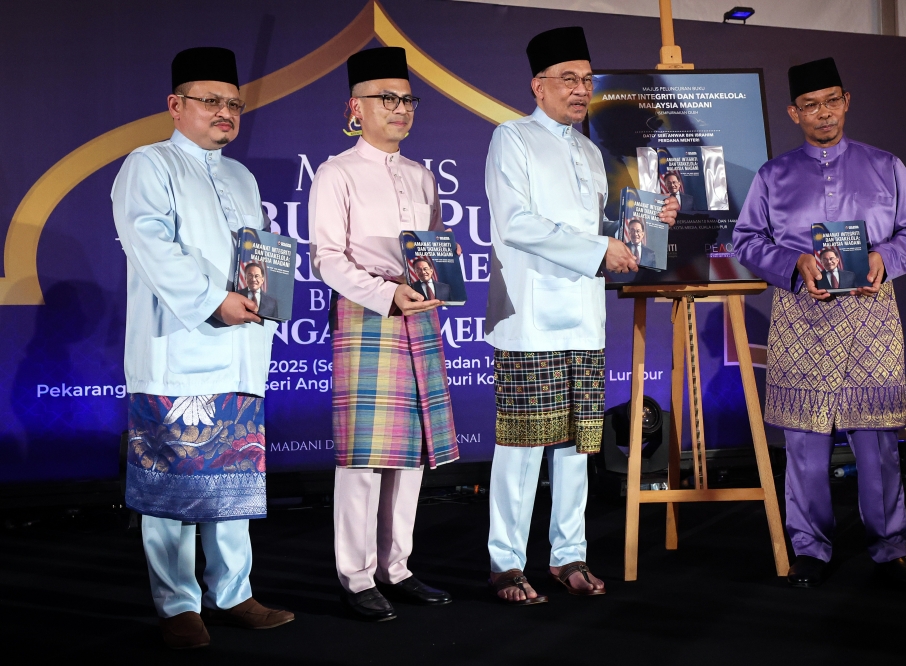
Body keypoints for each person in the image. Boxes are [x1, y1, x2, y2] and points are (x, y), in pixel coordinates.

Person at [483, 26, 678, 604]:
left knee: (575, 445)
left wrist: (654, 221)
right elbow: (517, 222)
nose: (579, 90)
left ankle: (569, 554)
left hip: (584, 316)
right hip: (531, 315)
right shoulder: (511, 138)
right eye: (568, 79)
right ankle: (506, 563)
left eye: (586, 79)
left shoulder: (591, 152)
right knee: (521, 446)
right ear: (537, 85)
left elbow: (612, 236)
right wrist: (598, 250)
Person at [733, 57, 906, 589]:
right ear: (793, 113)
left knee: (877, 442)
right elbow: (747, 240)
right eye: (810, 105)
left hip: (870, 315)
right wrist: (792, 263)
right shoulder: (772, 176)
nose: (822, 113)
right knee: (804, 442)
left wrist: (885, 258)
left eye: (831, 101)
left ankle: (890, 547)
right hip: (803, 317)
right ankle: (810, 549)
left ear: (846, 102)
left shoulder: (885, 166)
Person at [112, 47, 293, 649]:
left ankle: (235, 593)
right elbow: (150, 245)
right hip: (179, 345)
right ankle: (177, 603)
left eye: (233, 104)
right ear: (175, 105)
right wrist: (214, 301)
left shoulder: (240, 175)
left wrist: (265, 296)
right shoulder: (150, 163)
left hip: (239, 346)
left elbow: (255, 256)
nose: (224, 113)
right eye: (210, 101)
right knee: (170, 480)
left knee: (234, 475)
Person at [309, 46, 460, 622]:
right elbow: (327, 258)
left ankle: (397, 568)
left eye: (407, 99)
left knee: (413, 453)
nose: (400, 109)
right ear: (357, 106)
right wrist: (384, 292)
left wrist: (434, 278)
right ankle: (355, 575)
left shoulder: (421, 176)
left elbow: (434, 245)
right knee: (364, 454)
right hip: (367, 313)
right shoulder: (337, 172)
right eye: (387, 99)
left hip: (418, 312)